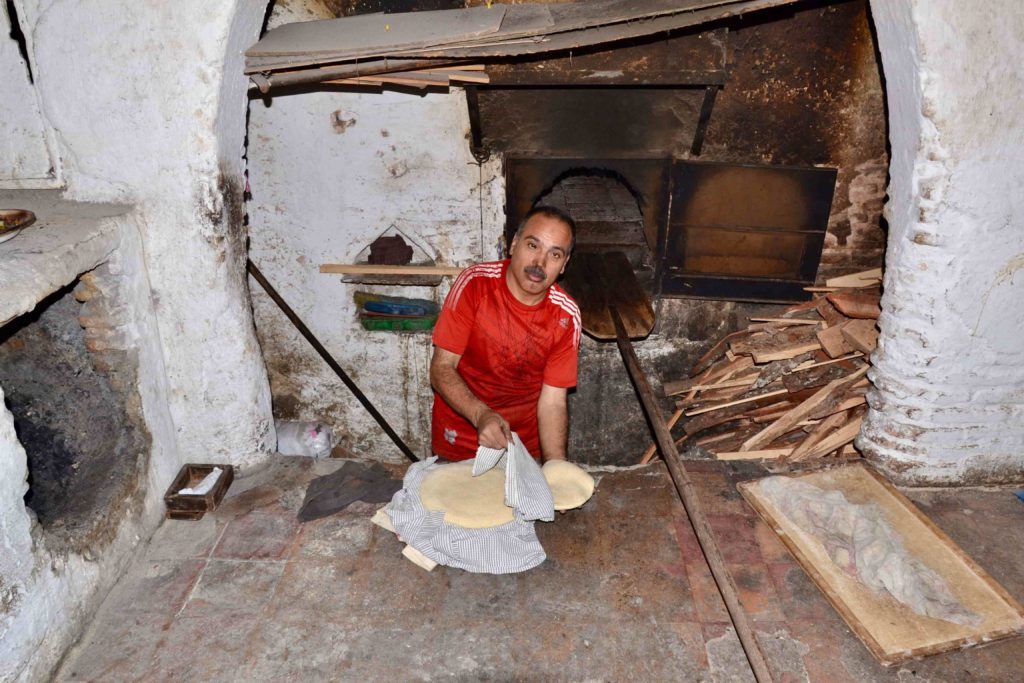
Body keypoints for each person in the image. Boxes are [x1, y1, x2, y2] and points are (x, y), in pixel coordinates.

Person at [429, 206, 581, 462]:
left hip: (522, 448)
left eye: (554, 254)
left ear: (564, 265)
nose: (539, 263)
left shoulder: (565, 316)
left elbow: (553, 402)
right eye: (533, 246)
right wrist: (481, 415)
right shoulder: (475, 285)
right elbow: (441, 368)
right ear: (514, 245)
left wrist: (556, 467)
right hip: (461, 438)